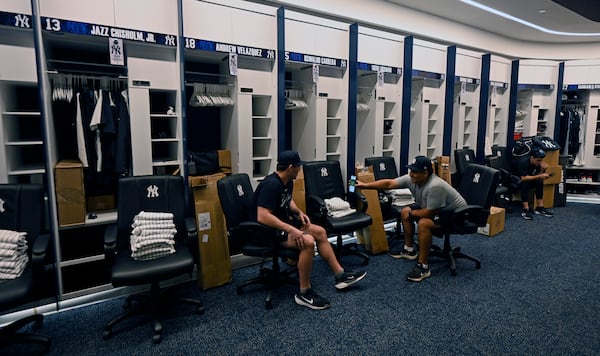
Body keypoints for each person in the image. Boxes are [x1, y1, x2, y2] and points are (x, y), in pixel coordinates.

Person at [251, 150, 367, 310]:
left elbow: (287, 200)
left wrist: (298, 212)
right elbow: (262, 216)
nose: (300, 170)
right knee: (307, 242)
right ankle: (304, 292)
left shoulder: (287, 181)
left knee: (320, 232)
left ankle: (341, 275)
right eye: (298, 167)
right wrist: (292, 230)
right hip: (266, 231)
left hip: (282, 224)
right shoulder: (271, 184)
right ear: (291, 167)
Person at [355, 155, 466, 282]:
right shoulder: (412, 179)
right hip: (436, 209)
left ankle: (423, 266)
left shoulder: (435, 186)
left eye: (415, 172)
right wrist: (365, 185)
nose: (411, 174)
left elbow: (429, 213)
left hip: (455, 215)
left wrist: (414, 214)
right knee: (405, 211)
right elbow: (389, 183)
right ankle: (409, 249)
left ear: (425, 173)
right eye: (410, 171)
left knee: (424, 223)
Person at [513, 148, 554, 220]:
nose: (540, 162)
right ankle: (526, 210)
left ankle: (540, 208)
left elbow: (538, 175)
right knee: (524, 184)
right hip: (515, 179)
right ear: (532, 158)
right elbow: (523, 178)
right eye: (538, 160)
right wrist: (539, 176)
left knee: (539, 182)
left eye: (541, 160)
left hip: (527, 178)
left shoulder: (537, 163)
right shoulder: (523, 162)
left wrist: (542, 170)